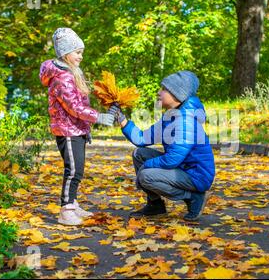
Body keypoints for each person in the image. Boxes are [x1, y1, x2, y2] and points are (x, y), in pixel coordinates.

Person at [39, 27, 118, 226]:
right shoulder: (62, 78)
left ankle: (73, 203)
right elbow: (74, 107)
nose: (81, 56)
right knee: (73, 170)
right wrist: (97, 117)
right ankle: (66, 210)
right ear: (66, 53)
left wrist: (86, 128)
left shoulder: (72, 73)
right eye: (78, 52)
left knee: (78, 169)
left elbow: (81, 104)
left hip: (76, 129)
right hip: (67, 131)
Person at [113, 71, 215, 221]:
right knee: (139, 153)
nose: (159, 92)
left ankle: (193, 197)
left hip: (196, 175)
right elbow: (142, 139)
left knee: (145, 175)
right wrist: (122, 120)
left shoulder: (185, 120)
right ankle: (155, 206)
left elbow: (172, 160)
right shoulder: (171, 115)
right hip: (182, 167)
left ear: (177, 94)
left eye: (164, 89)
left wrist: (146, 166)